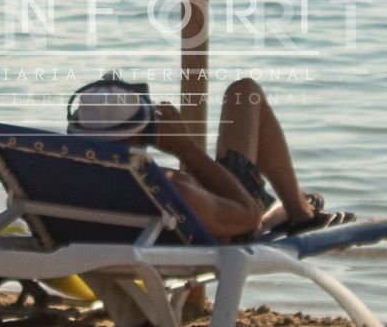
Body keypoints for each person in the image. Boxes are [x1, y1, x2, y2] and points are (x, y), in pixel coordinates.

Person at [69, 74, 349, 242]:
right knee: (244, 92)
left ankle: (288, 208)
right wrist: (186, 149)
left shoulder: (66, 178)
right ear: (147, 131)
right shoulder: (167, 186)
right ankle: (298, 212)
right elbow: (249, 216)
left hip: (128, 235)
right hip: (230, 224)